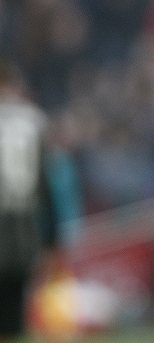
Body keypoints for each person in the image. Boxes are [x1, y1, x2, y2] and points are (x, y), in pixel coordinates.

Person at [0, 61, 58, 342]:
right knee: (12, 316)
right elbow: (46, 186)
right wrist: (52, 241)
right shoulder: (33, 119)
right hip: (23, 228)